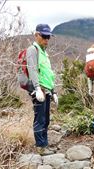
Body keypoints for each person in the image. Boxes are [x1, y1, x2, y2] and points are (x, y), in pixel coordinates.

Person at [26, 24, 58, 155]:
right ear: (36, 35)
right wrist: (37, 88)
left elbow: (49, 73)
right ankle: (40, 146)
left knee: (46, 118)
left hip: (47, 89)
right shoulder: (33, 50)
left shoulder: (45, 53)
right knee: (40, 118)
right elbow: (32, 69)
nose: (46, 39)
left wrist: (54, 91)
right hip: (39, 90)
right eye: (44, 36)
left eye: (48, 37)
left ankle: (45, 144)